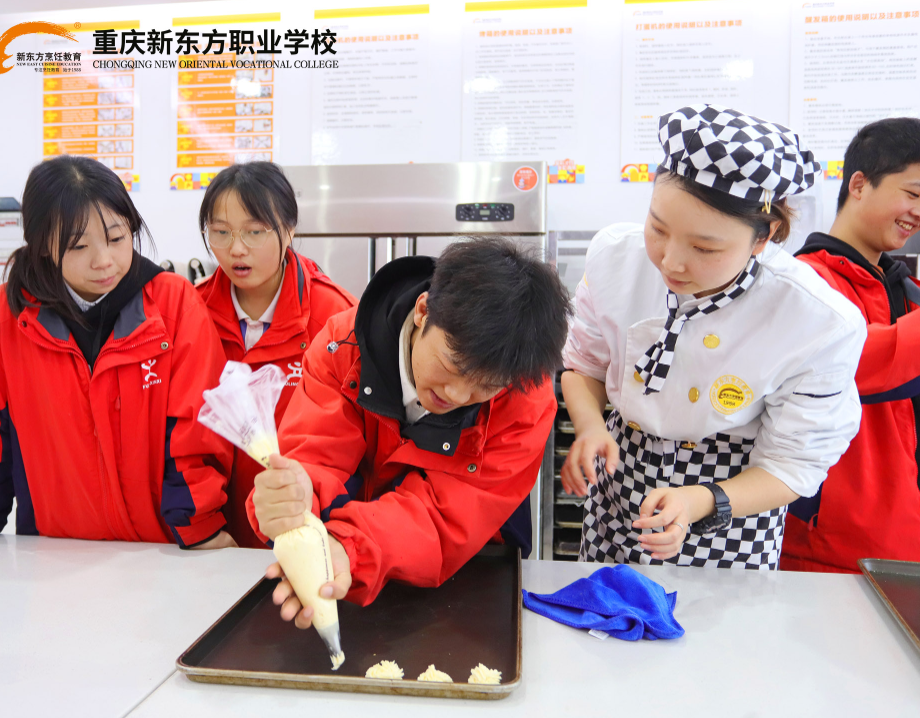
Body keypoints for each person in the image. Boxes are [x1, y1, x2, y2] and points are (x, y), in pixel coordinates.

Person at [560, 105, 867, 569]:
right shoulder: (615, 259)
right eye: (657, 228)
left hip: (733, 504)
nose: (670, 262)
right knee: (605, 605)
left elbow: (792, 464)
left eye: (704, 248)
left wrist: (699, 501)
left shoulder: (817, 321)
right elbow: (584, 366)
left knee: (717, 617)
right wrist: (590, 426)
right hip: (617, 490)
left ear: (764, 237)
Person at [250, 237, 571, 626]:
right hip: (346, 561)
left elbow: (446, 517)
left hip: (471, 572)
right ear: (423, 311)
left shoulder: (524, 399)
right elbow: (315, 457)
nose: (457, 395)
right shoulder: (343, 347)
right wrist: (295, 500)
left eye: (486, 386)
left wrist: (352, 547)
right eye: (452, 364)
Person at [0, 155, 234, 548]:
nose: (104, 260)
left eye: (117, 238)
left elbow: (198, 431)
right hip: (52, 555)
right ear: (42, 246)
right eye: (78, 245)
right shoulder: (0, 320)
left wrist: (198, 526)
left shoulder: (174, 305)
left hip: (159, 555)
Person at [783, 117, 920, 572]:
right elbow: (848, 363)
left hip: (903, 541)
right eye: (913, 194)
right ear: (859, 184)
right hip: (829, 553)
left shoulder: (905, 288)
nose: (918, 213)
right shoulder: (804, 283)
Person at [195, 162, 356, 548]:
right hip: (216, 540)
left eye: (254, 231)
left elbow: (349, 446)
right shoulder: (193, 313)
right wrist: (202, 529)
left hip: (305, 533)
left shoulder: (335, 317)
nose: (236, 248)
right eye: (221, 232)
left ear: (289, 228)